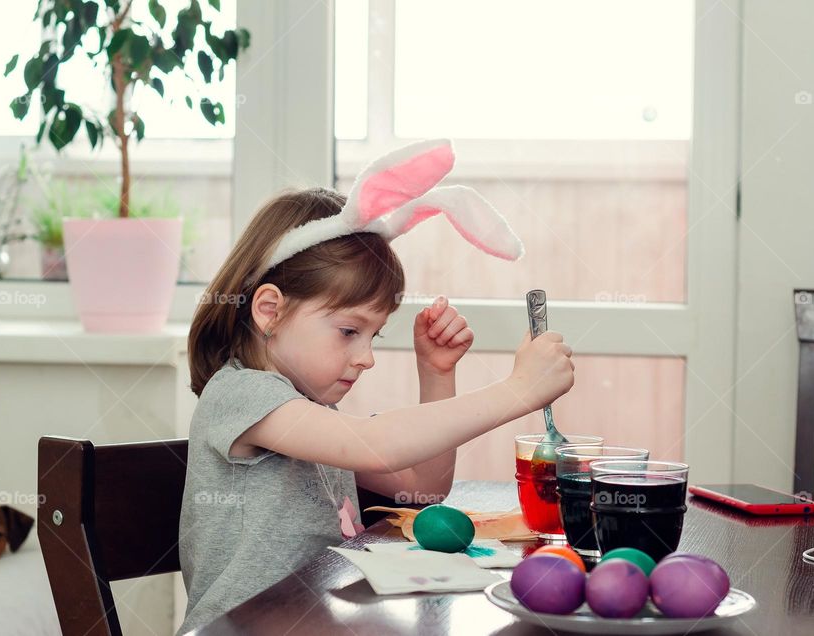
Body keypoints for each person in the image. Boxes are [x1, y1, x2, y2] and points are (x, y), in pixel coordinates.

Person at [177, 140, 574, 634]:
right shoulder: (240, 395)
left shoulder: (307, 414)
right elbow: (377, 444)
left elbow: (422, 492)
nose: (366, 358)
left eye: (373, 336)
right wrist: (517, 391)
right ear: (269, 311)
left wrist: (436, 375)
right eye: (349, 331)